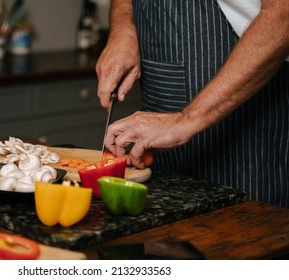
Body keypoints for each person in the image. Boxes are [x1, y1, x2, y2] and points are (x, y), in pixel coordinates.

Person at [96, 0, 289, 208]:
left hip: (248, 134)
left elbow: (283, 15)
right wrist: (124, 27)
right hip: (164, 146)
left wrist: (186, 119)